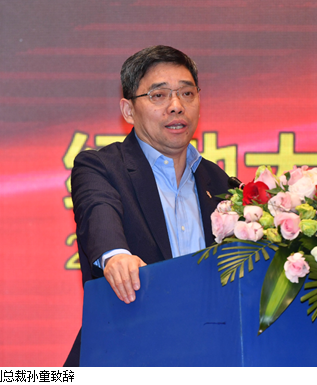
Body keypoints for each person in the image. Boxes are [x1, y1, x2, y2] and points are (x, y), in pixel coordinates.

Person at [64, 46, 231, 366]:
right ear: (128, 110)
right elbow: (98, 212)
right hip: (125, 356)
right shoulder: (102, 167)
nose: (176, 106)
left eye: (187, 93)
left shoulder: (221, 183)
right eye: (159, 95)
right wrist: (116, 257)